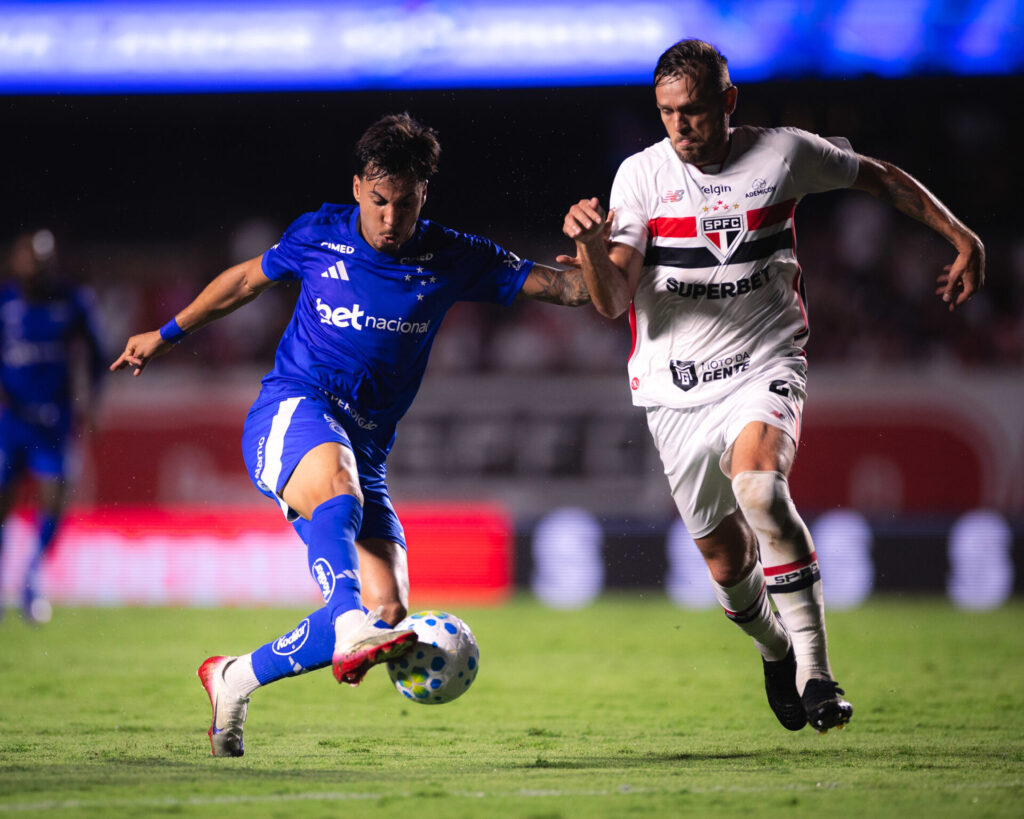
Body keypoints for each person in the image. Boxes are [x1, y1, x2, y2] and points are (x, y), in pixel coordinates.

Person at [111, 113, 590, 757]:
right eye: (380, 200)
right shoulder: (318, 234)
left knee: (388, 610)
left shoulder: (453, 257)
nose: (392, 218)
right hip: (292, 412)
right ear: (359, 186)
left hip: (367, 455)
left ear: (426, 193)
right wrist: (166, 334)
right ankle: (346, 625)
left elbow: (569, 288)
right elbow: (245, 281)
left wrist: (599, 251)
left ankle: (235, 676)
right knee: (340, 502)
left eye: (407, 202)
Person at [562, 39, 985, 733]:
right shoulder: (640, 177)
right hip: (675, 391)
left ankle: (817, 673)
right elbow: (612, 302)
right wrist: (587, 244)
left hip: (765, 361)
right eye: (668, 112)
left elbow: (880, 177)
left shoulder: (784, 155)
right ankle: (774, 647)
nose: (681, 126)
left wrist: (960, 232)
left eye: (694, 110)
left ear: (727, 102)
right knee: (727, 561)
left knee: (761, 486)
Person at [0, 229, 105, 624]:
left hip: (54, 421)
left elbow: (97, 354)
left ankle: (31, 577)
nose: (34, 271)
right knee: (3, 498)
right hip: (12, 420)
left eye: (42, 264)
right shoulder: (5, 302)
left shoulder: (72, 301)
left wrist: (92, 403)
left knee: (54, 499)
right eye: (29, 261)